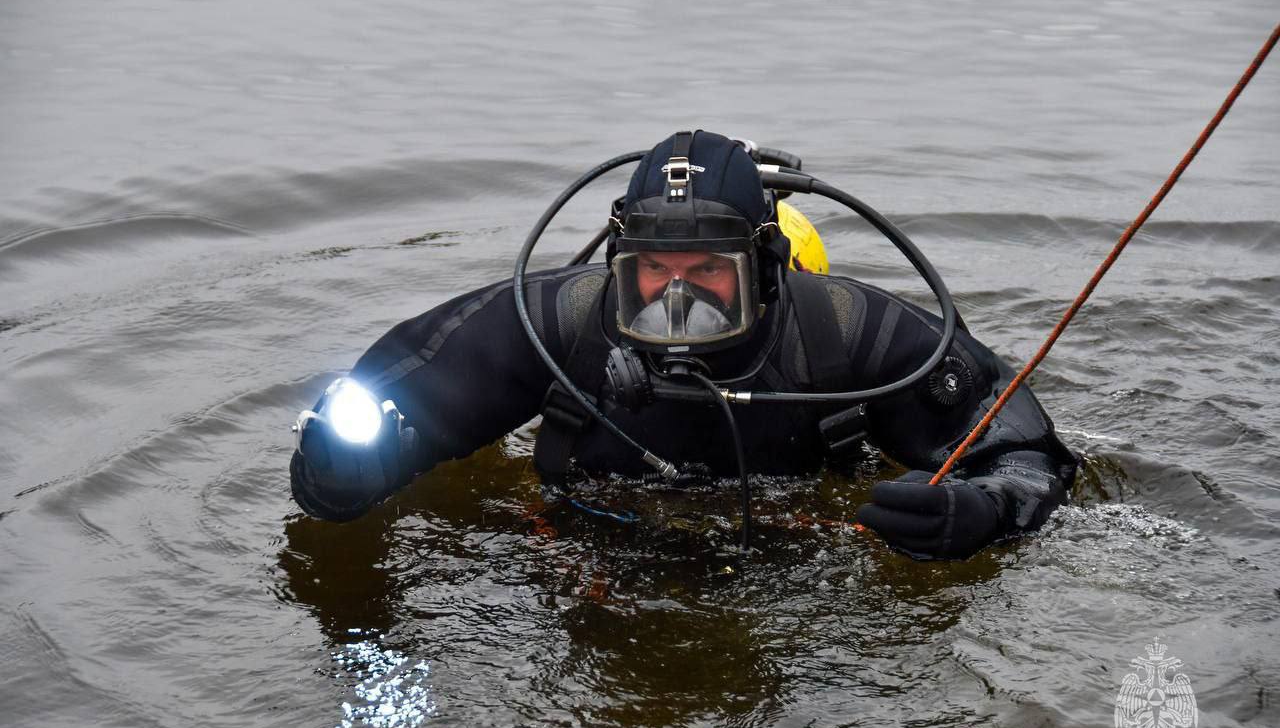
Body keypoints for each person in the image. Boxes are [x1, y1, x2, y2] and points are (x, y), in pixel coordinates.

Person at [290, 130, 1077, 559]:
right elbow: (369, 417)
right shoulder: (552, 324)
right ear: (615, 268)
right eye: (651, 276)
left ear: (765, 270)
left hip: (801, 594)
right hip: (590, 566)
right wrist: (340, 472)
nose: (676, 302)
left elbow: (1031, 455)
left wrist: (979, 513)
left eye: (707, 275)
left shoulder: (853, 332)